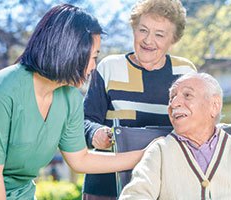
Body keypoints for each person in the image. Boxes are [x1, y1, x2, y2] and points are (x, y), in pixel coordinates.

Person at [0, 4, 144, 200]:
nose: (94, 66)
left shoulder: (70, 98)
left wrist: (146, 155)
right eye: (93, 57)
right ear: (70, 51)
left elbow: (80, 159)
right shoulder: (3, 90)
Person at [83, 0, 197, 199]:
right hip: (107, 186)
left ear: (174, 39)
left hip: (165, 187)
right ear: (134, 28)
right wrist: (95, 133)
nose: (148, 40)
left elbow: (200, 127)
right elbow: (82, 122)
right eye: (143, 30)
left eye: (159, 34)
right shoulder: (109, 67)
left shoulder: (185, 73)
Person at [119, 72, 231, 199]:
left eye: (187, 95)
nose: (174, 104)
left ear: (214, 106)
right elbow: (134, 196)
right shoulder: (160, 152)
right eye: (172, 98)